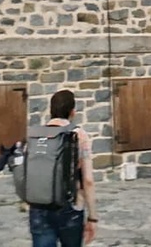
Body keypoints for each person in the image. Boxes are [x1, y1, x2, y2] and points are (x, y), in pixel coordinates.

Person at [28, 89, 98, 247]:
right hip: (70, 207)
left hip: (40, 206)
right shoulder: (79, 135)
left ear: (51, 111)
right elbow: (87, 180)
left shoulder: (37, 135)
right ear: (72, 112)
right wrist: (92, 217)